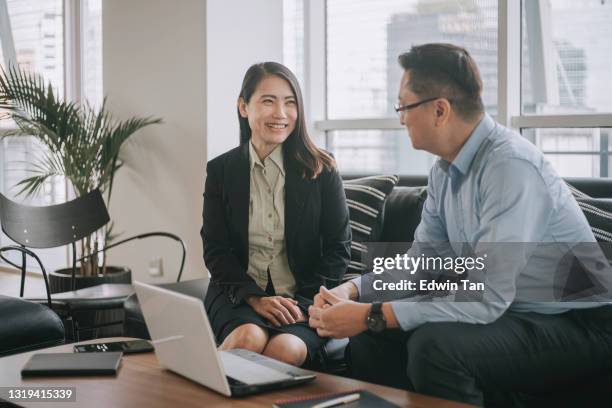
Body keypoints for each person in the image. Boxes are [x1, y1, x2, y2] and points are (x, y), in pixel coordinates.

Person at [308, 43, 612, 405]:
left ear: (440, 110)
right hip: (514, 310)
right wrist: (353, 292)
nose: (401, 118)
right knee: (372, 337)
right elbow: (422, 264)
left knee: (434, 348)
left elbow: (486, 296)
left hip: (580, 323)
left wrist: (373, 314)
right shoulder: (443, 171)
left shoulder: (510, 168)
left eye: (403, 106)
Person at [201, 62, 351, 368]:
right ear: (243, 107)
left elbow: (339, 248)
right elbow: (215, 250)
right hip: (238, 295)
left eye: (290, 102)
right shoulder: (221, 171)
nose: (281, 113)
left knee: (286, 349)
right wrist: (255, 298)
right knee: (248, 339)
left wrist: (304, 303)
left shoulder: (322, 169)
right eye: (268, 101)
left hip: (304, 298)